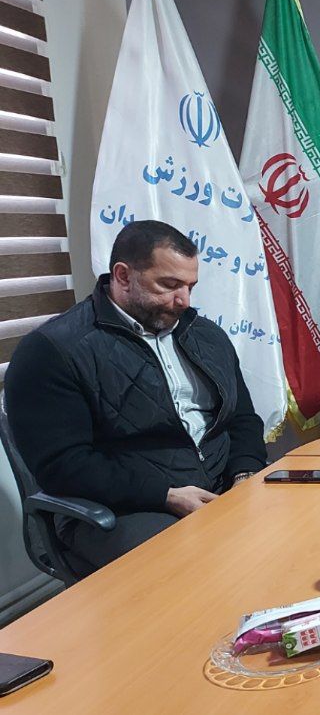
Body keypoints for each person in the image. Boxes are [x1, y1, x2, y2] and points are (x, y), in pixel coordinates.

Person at [6, 220, 266, 574]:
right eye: (169, 285)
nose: (184, 301)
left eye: (190, 286)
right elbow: (64, 466)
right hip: (127, 506)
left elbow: (242, 418)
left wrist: (244, 474)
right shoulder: (53, 350)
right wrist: (167, 495)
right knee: (201, 567)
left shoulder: (204, 335)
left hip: (220, 485)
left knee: (300, 523)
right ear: (123, 276)